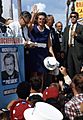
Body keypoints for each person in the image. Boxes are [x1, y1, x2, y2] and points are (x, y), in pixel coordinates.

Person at [28, 11, 55, 81]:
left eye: (43, 19)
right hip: (34, 53)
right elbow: (29, 26)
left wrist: (53, 57)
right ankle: (33, 90)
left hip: (43, 54)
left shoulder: (47, 31)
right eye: (40, 19)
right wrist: (33, 15)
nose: (41, 21)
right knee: (34, 74)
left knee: (42, 74)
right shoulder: (33, 28)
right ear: (37, 19)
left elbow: (50, 46)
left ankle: (40, 90)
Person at [62, 11, 83, 79]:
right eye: (71, 17)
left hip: (77, 50)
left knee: (78, 70)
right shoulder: (66, 28)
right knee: (70, 69)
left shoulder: (81, 27)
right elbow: (64, 40)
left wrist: (77, 35)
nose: (73, 18)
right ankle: (71, 86)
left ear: (77, 18)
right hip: (68, 50)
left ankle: (79, 86)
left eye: (74, 17)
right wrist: (62, 51)